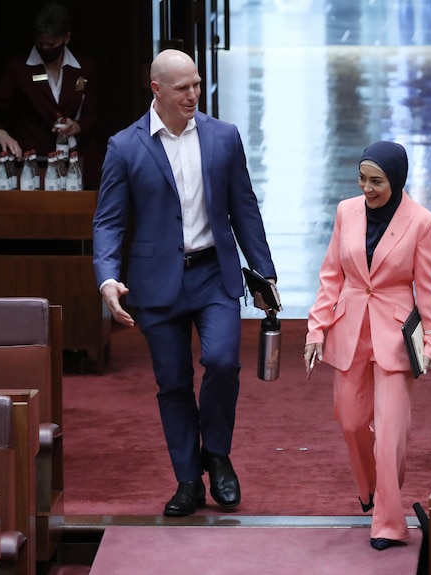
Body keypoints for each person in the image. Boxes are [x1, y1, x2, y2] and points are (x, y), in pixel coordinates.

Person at [92, 49, 277, 517]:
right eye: (183, 88)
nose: (194, 94)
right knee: (173, 384)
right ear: (157, 90)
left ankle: (216, 453)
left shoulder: (223, 137)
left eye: (196, 84)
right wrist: (108, 278)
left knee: (222, 362)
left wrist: (265, 271)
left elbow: (244, 208)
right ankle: (187, 480)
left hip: (215, 273)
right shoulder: (125, 146)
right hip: (156, 283)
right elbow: (109, 222)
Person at [304, 141, 431, 550]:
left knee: (390, 436)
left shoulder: (421, 221)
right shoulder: (347, 211)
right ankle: (371, 488)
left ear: (396, 180)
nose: (367, 188)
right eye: (362, 179)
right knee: (349, 422)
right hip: (348, 331)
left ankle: (387, 522)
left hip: (396, 337)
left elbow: (429, 287)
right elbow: (331, 275)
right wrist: (316, 329)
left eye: (377, 181)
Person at [0, 1, 100, 187]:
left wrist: (77, 126)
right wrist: (0, 132)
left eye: (51, 44)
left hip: (77, 162)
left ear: (66, 38)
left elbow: (93, 115)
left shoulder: (84, 67)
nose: (45, 49)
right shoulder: (18, 68)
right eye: (40, 45)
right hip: (34, 164)